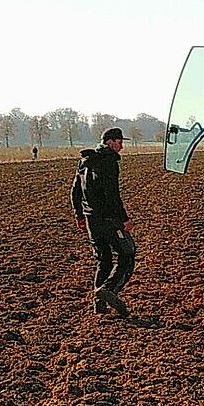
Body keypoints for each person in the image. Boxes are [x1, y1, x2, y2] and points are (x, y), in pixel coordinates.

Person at [71, 127, 134, 317]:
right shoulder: (109, 161)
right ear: (109, 142)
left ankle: (99, 306)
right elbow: (112, 194)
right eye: (119, 142)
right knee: (128, 255)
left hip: (91, 221)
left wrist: (80, 216)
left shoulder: (85, 161)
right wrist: (124, 219)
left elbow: (75, 191)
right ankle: (108, 290)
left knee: (103, 259)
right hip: (108, 219)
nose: (121, 146)